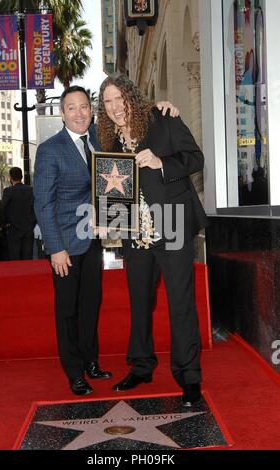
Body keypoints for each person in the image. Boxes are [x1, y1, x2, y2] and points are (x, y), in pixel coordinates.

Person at [33, 85, 179, 396]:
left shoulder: (101, 141)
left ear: (91, 110)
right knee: (67, 310)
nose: (79, 113)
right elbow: (42, 203)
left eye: (84, 106)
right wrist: (55, 248)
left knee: (90, 305)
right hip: (64, 246)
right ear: (62, 113)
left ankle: (90, 362)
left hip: (93, 240)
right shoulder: (50, 149)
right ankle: (74, 372)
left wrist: (160, 107)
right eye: (71, 108)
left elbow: (130, 128)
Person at [97, 73, 208, 407]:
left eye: (119, 98)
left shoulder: (162, 119)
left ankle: (189, 379)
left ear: (131, 96)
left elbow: (196, 158)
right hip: (135, 237)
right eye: (108, 101)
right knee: (140, 303)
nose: (115, 106)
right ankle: (142, 366)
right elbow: (115, 196)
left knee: (181, 305)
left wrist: (162, 163)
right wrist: (108, 223)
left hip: (172, 228)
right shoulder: (111, 144)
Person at [1, 167, 36, 260]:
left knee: (15, 258)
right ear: (22, 177)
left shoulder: (8, 191)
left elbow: (3, 208)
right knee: (27, 257)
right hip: (28, 229)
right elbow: (36, 207)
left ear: (10, 177)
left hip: (13, 229)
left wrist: (5, 224)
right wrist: (33, 222)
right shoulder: (31, 190)